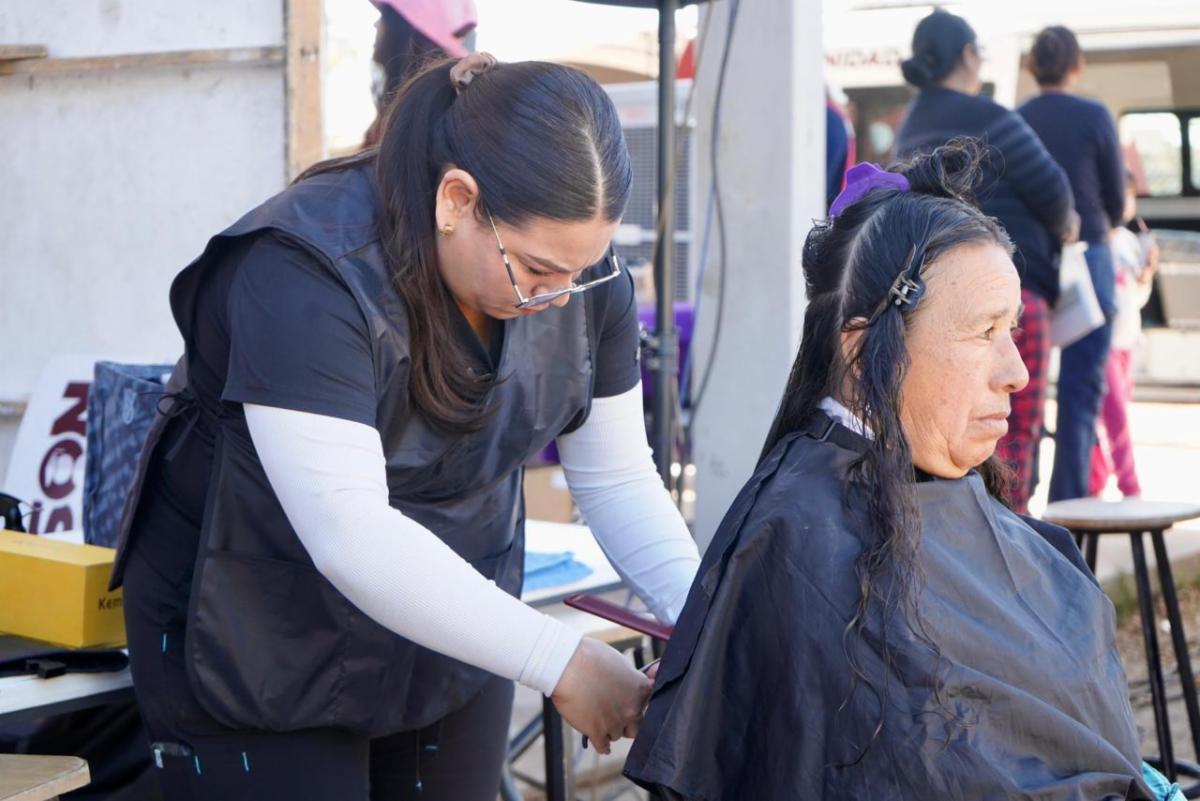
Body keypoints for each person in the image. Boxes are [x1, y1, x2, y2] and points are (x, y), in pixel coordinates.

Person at [110, 54, 701, 801]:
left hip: (451, 607)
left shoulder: (575, 273)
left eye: (580, 271)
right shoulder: (304, 270)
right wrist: (561, 659)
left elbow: (616, 476)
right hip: (257, 615)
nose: (560, 297)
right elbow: (351, 534)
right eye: (537, 271)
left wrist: (706, 621)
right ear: (457, 200)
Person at [624, 144, 1177, 801]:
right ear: (864, 352)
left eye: (1012, 329)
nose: (1017, 372)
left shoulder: (961, 499)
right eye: (983, 333)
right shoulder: (801, 547)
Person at [894, 9, 1077, 513]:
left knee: (948, 441)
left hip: (933, 312)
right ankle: (1010, 541)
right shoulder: (991, 118)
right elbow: (1057, 199)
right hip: (1009, 299)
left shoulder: (910, 125)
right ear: (968, 55)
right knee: (1010, 435)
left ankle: (960, 541)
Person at [1019, 25, 1128, 502]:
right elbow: (1116, 201)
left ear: (1032, 65)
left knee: (1022, 390)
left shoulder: (1017, 119)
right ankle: (1069, 508)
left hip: (1032, 265)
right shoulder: (1095, 115)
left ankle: (1019, 503)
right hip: (1091, 262)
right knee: (1081, 391)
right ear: (1077, 65)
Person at [1091, 171, 1158, 497]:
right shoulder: (1097, 239)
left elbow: (1137, 297)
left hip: (1127, 341)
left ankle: (1096, 478)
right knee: (1115, 417)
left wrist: (1148, 273)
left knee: (1109, 415)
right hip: (1104, 343)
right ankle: (1130, 485)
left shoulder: (1130, 242)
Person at [362, 0, 477, 147]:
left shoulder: (426, 123)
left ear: (406, 31)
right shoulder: (437, 113)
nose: (376, 24)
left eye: (387, 16)